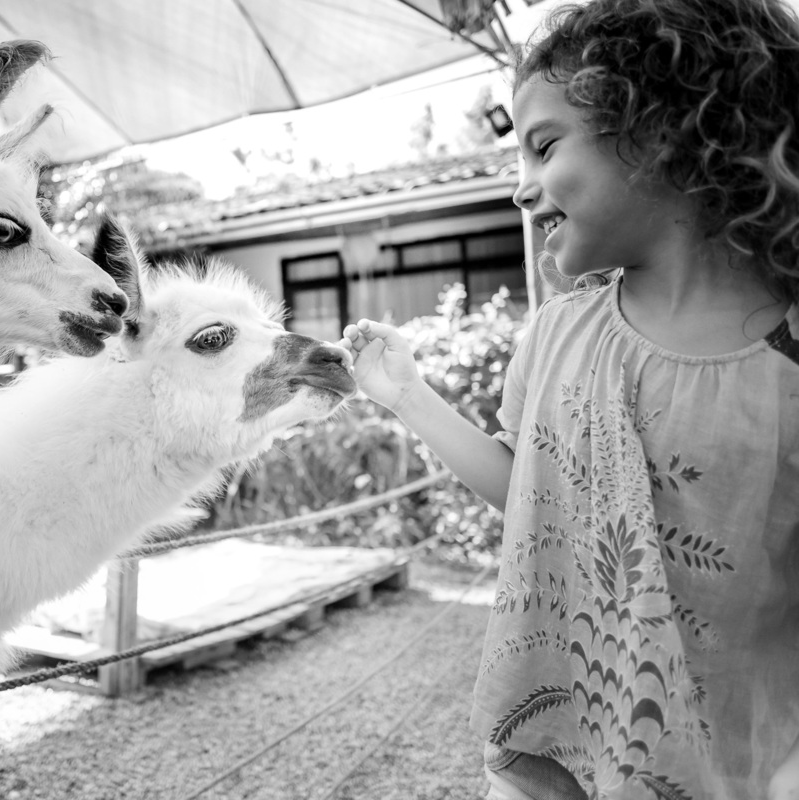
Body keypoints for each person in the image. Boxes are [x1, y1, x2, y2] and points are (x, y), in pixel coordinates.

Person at [341, 1, 799, 797]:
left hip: (733, 767)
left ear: (660, 129)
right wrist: (407, 395)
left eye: (544, 146)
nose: (522, 191)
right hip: (547, 747)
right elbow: (530, 492)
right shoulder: (558, 336)